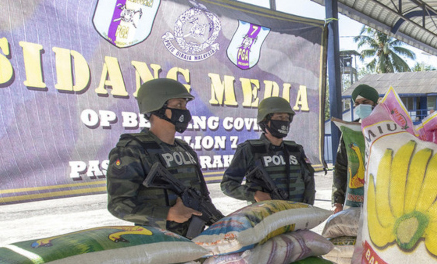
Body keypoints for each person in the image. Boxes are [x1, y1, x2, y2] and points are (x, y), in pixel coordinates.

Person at [106, 77, 221, 237]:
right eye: (178, 105)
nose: (184, 111)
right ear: (157, 108)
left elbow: (203, 197)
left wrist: (223, 223)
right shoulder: (133, 149)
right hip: (156, 244)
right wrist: (168, 214)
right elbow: (118, 205)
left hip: (194, 241)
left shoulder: (184, 149)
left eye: (185, 105)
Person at [221, 96, 315, 204]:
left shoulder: (296, 150)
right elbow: (227, 184)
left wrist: (308, 208)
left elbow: (309, 182)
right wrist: (254, 194)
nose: (284, 121)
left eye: (287, 118)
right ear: (265, 120)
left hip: (296, 215)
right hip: (266, 217)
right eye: (279, 117)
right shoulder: (250, 150)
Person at [332, 83, 379, 213]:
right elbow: (340, 167)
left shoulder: (387, 128)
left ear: (375, 103)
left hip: (381, 199)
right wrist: (338, 200)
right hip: (355, 200)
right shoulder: (350, 131)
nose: (360, 106)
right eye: (357, 103)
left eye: (365, 102)